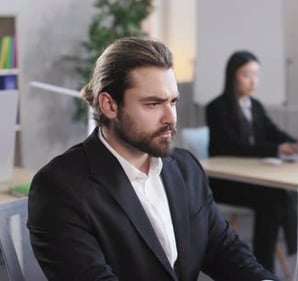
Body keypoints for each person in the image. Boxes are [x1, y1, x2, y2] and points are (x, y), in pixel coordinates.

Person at [27, 37, 277, 281]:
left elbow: (225, 250)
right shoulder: (60, 188)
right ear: (109, 105)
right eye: (153, 104)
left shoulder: (185, 167)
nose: (170, 117)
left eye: (173, 102)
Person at [205, 50, 298, 273]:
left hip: (251, 179)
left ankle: (272, 261)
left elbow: (273, 132)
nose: (253, 81)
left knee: (280, 195)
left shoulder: (255, 106)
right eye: (247, 75)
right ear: (232, 76)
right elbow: (233, 147)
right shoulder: (217, 108)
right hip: (224, 183)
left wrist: (296, 144)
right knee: (272, 199)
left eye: (257, 75)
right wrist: (277, 149)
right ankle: (263, 266)